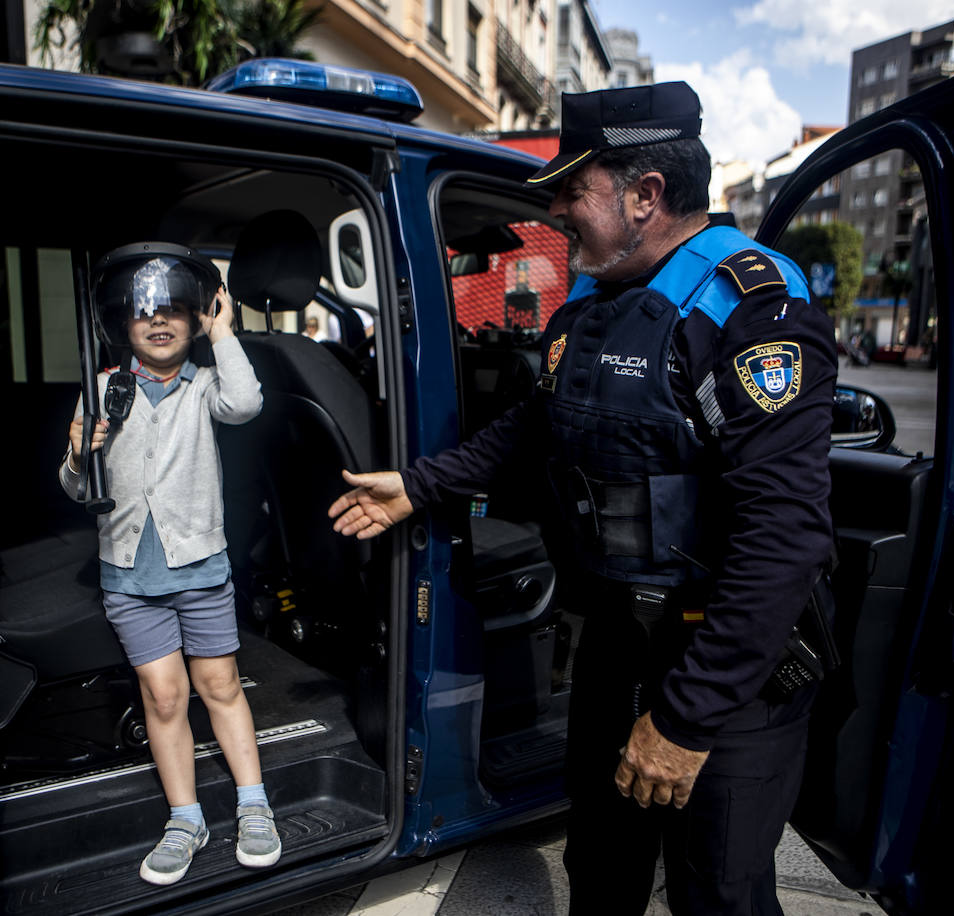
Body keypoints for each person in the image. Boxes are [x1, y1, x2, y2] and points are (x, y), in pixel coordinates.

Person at [328, 82, 836, 915]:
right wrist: (418, 486)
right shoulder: (591, 305)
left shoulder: (749, 308)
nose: (557, 211)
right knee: (601, 870)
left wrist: (683, 722)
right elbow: (534, 425)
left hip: (730, 668)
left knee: (719, 894)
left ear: (646, 195)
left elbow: (782, 540)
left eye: (573, 190)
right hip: (618, 644)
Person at [61, 243, 278, 886]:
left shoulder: (207, 383)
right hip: (129, 575)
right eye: (144, 312)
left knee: (220, 687)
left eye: (177, 310)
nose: (159, 321)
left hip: (200, 568)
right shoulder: (99, 390)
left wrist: (225, 333)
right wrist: (78, 455)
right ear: (122, 324)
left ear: (197, 318)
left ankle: (253, 803)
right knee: (163, 696)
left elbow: (246, 404)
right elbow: (76, 490)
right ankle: (186, 817)